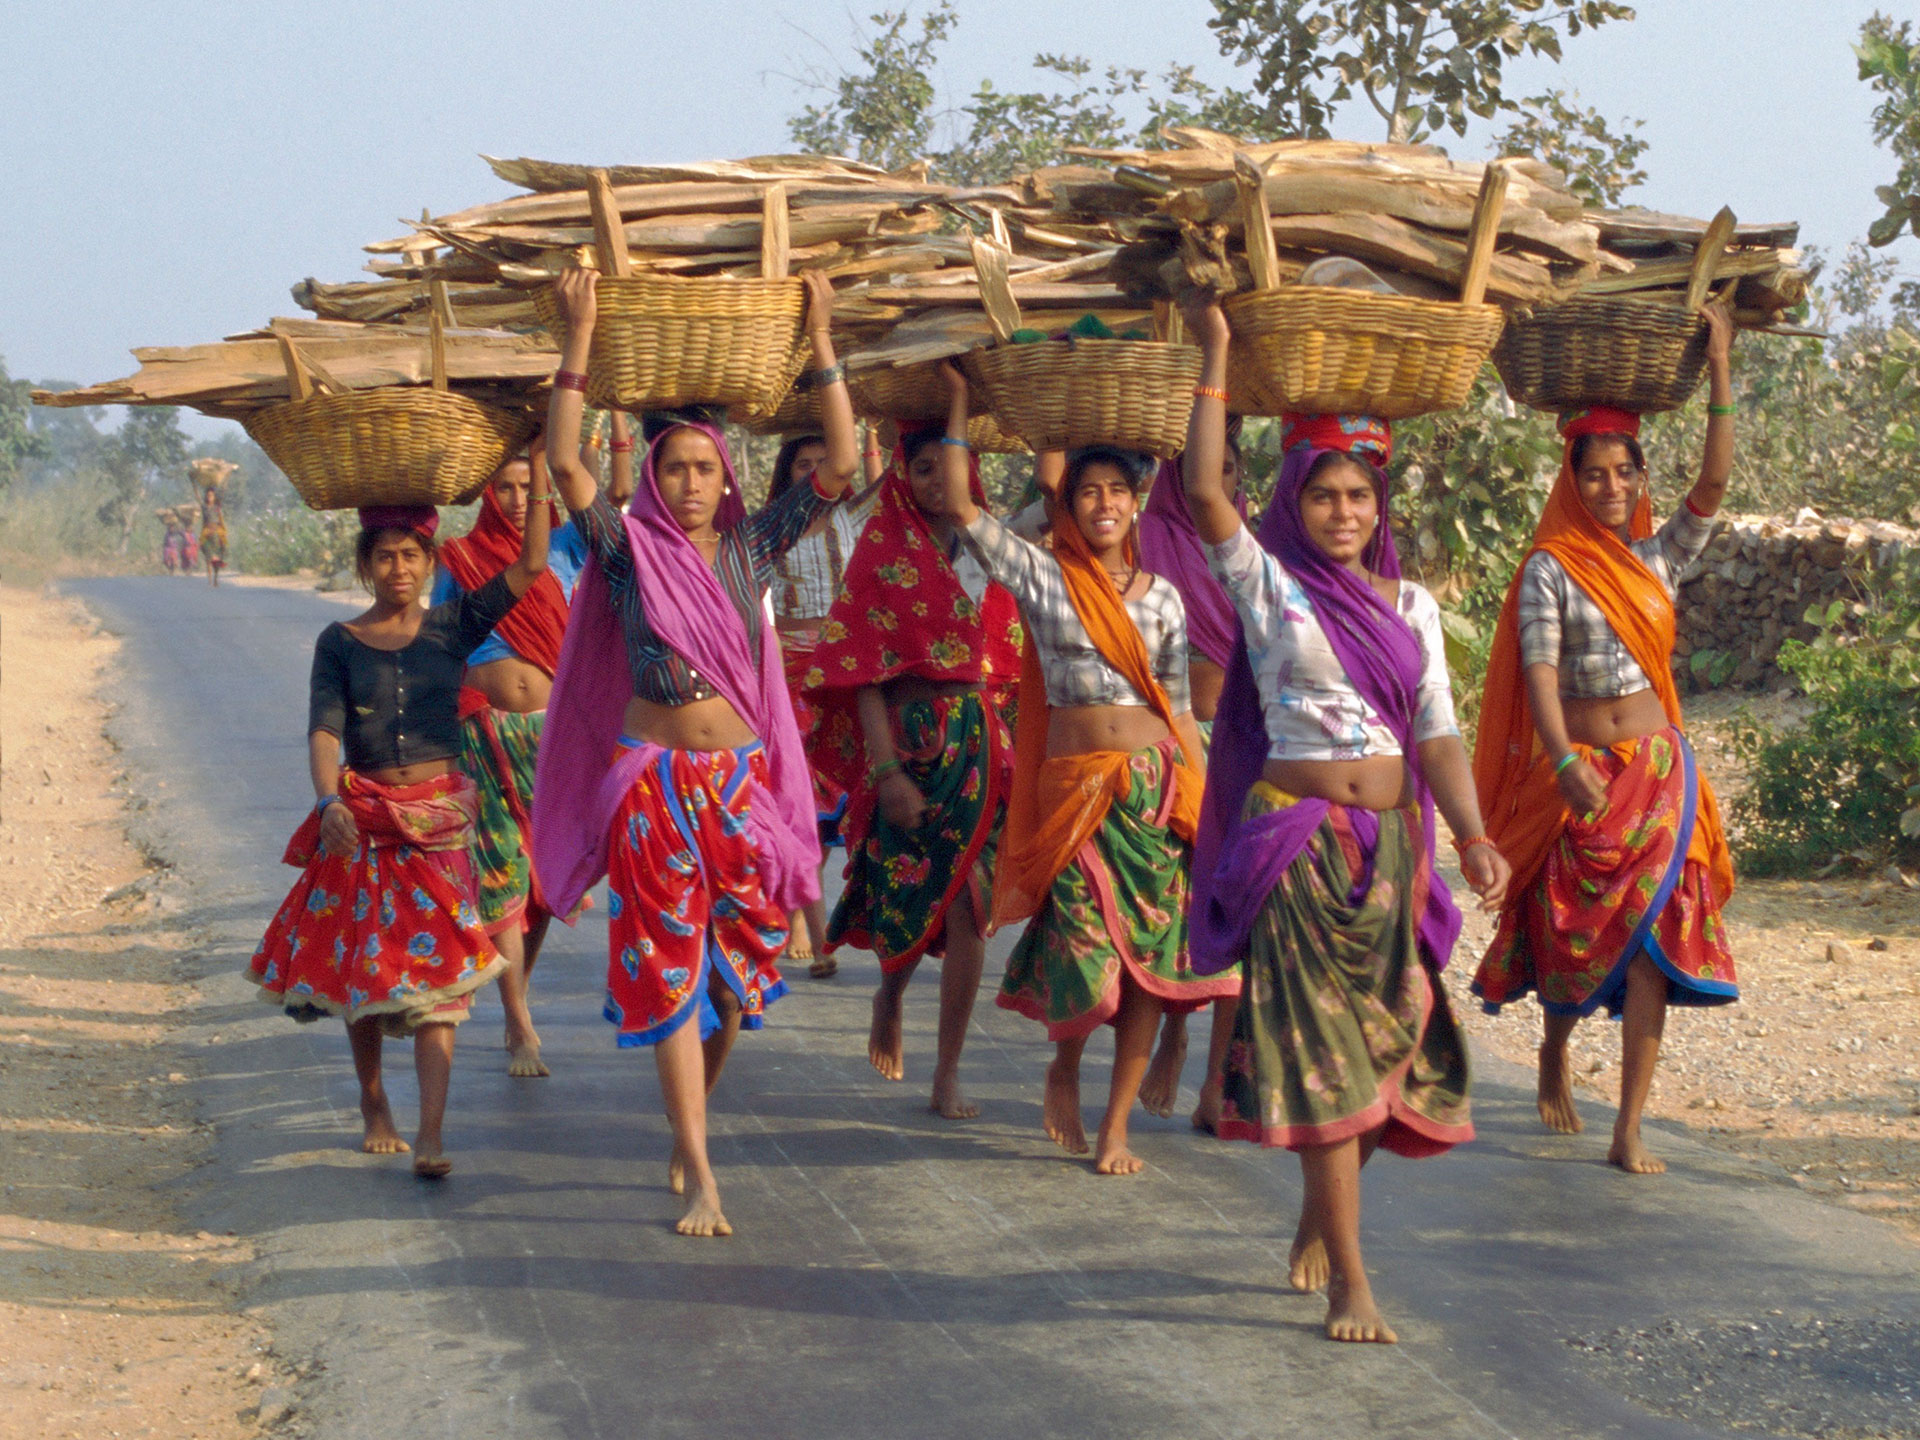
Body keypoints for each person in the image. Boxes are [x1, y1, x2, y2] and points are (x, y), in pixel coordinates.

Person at [1183, 301, 1509, 1344]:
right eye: (1322, 494)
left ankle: (1323, 1212)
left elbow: (1440, 734)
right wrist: (1219, 354)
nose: (1341, 512)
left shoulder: (1410, 611)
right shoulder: (1269, 587)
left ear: (1380, 506)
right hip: (1298, 845)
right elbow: (1199, 489)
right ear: (1295, 502)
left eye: (1358, 495)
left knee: (1395, 1054)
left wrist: (1471, 831)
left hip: (1393, 853)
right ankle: (1350, 1281)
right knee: (1328, 1055)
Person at [532, 266, 858, 1237]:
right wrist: (580, 335)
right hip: (652, 786)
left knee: (736, 971)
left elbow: (839, 461)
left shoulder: (752, 550)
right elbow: (564, 464)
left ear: (728, 475)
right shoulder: (627, 551)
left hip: (740, 787)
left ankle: (693, 1122)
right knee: (672, 965)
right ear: (655, 477)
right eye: (671, 468)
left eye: (702, 468)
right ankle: (702, 1166)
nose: (686, 483)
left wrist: (823, 337)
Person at [936, 363, 1236, 1177]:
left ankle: (1114, 1127)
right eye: (1088, 492)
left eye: (1117, 491)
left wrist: (1205, 808)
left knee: (1146, 972)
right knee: (1082, 947)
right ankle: (1064, 1065)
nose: (1104, 504)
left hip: (1152, 793)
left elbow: (1178, 713)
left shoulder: (1166, 598)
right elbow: (963, 508)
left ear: (1135, 504)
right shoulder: (1044, 578)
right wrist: (963, 400)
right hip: (1073, 794)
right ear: (1065, 509)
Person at [1471, 304, 1740, 1177]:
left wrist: (1723, 368)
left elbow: (1714, 487)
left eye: (1624, 473)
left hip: (1658, 772)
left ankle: (1630, 1124)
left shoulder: (1655, 559)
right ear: (1571, 480)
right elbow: (1541, 676)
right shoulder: (1550, 567)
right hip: (1581, 774)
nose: (1612, 488)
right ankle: (1553, 1051)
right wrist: (1558, 761)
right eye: (1595, 475)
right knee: (1568, 932)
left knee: (1654, 938)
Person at [247, 497, 551, 1178]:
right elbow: (324, 729)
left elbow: (532, 562)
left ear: (430, 562)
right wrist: (328, 800)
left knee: (440, 982)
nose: (399, 567)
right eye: (384, 556)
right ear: (364, 565)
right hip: (365, 822)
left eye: (411, 555)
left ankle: (433, 1134)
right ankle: (375, 1103)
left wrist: (542, 459)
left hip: (440, 827)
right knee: (368, 973)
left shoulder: (454, 626)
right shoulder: (339, 641)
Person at [803, 418, 1024, 1118]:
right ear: (901, 473)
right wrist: (887, 770)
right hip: (908, 739)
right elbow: (862, 672)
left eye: (949, 465)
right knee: (906, 894)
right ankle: (890, 996)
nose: (936, 480)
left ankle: (948, 1070)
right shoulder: (881, 549)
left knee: (972, 906)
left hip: (982, 746)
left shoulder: (995, 547)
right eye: (922, 466)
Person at [431, 438, 592, 1078]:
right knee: (499, 865)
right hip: (485, 733)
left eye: (531, 487)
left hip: (555, 735)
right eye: (505, 488)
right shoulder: (460, 557)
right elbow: (441, 644)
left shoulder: (568, 546)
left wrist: (586, 435)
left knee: (545, 879)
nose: (520, 499)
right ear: (485, 495)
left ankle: (517, 993)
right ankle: (518, 1017)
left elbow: (613, 501)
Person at [1134, 424, 1252, 1128]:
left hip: (1242, 747)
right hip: (1173, 746)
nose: (1225, 482)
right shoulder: (1146, 537)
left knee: (1239, 909)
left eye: (1234, 469)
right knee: (1176, 903)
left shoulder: (1253, 550)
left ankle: (1216, 1082)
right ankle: (1173, 1034)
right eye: (1213, 469)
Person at [766, 428, 880, 978]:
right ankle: (809, 927)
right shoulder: (770, 529)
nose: (813, 471)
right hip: (786, 673)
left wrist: (875, 436)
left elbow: (892, 482)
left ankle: (818, 913)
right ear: (786, 473)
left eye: (822, 460)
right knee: (797, 797)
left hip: (842, 671)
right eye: (801, 463)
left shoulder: (854, 517)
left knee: (842, 795)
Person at [200, 487, 228, 586]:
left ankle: (216, 577)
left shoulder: (217, 507)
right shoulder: (204, 508)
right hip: (207, 530)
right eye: (208, 496)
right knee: (205, 549)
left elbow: (220, 519)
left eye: (211, 496)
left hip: (217, 529)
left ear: (214, 497)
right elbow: (204, 521)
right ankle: (210, 579)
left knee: (223, 544)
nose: (209, 498)